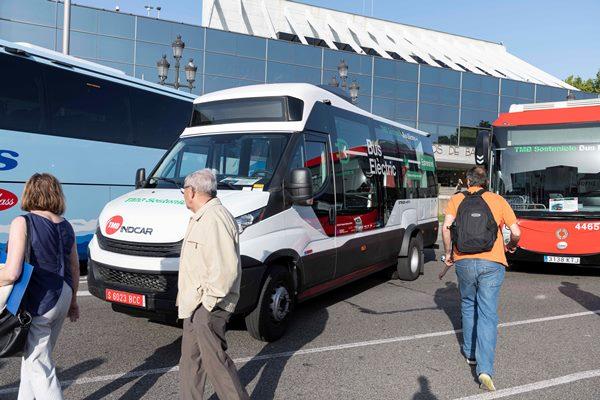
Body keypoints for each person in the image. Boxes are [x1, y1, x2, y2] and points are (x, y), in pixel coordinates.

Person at [0, 173, 79, 400]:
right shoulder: (67, 226)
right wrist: (73, 301)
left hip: (40, 299)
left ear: (29, 192)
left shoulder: (22, 222)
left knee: (39, 364)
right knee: (33, 358)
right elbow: (74, 268)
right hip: (62, 296)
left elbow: (13, 271)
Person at [441, 166, 520, 391]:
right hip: (492, 262)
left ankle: (470, 354)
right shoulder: (498, 200)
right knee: (487, 313)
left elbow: (446, 229)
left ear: (468, 182)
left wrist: (448, 255)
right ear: (485, 181)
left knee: (467, 305)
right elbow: (516, 232)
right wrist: (511, 247)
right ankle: (485, 370)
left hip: (464, 260)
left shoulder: (456, 199)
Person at [177, 169, 249, 400]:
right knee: (190, 361)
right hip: (194, 304)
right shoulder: (202, 217)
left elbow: (225, 269)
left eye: (184, 191)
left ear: (192, 191)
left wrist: (207, 305)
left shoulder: (215, 218)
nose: (183, 195)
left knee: (215, 362)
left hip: (208, 305)